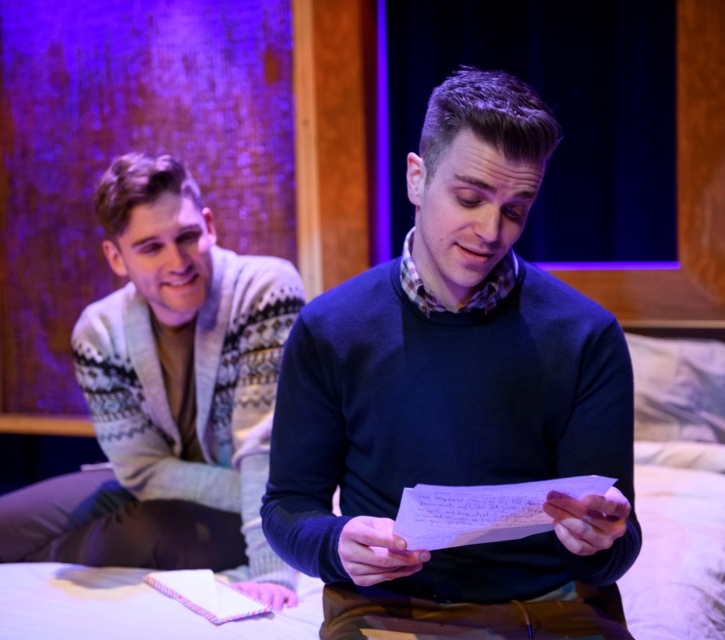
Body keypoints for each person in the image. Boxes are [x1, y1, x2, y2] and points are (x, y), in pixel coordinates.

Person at [261, 67, 642, 636]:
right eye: (470, 198)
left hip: (550, 606)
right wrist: (336, 545)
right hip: (390, 606)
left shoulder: (585, 335)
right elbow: (288, 505)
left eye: (515, 209)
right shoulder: (331, 329)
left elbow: (618, 540)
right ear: (417, 178)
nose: (491, 232)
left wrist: (600, 541)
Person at [0, 152, 306, 610]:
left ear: (209, 226)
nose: (177, 261)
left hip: (261, 497)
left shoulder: (265, 290)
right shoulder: (99, 333)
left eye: (187, 236)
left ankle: (18, 581)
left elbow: (261, 448)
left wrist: (274, 572)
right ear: (115, 256)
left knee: (138, 535)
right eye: (151, 247)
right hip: (161, 484)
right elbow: (141, 469)